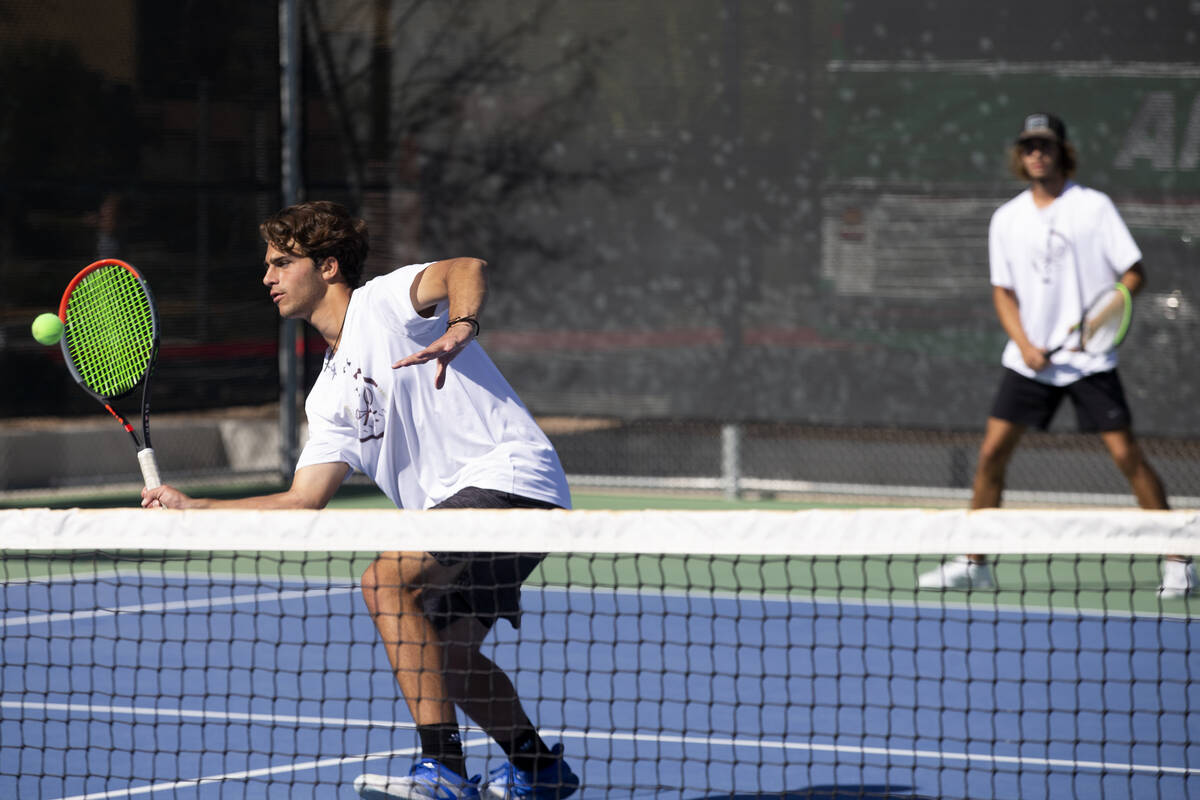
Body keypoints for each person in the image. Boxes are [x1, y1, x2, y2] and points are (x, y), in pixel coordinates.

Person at [142, 201, 581, 800]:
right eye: (267, 265)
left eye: (281, 263)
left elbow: (466, 267)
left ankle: (444, 769)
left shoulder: (382, 303)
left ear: (326, 267)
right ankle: (538, 770)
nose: (267, 278)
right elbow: (303, 500)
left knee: (384, 583)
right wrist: (196, 508)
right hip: (504, 503)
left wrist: (461, 325)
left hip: (508, 478)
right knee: (446, 657)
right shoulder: (326, 396)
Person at [917, 113, 1197, 598]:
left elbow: (1134, 274)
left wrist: (1097, 321)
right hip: (1029, 361)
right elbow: (1002, 292)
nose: (1036, 153)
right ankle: (974, 560)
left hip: (1088, 362)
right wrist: (1026, 344)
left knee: (1126, 455)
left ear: (1062, 151)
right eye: (1028, 146)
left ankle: (1178, 562)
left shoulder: (1094, 208)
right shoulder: (1006, 218)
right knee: (991, 454)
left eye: (1045, 145)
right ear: (1020, 154)